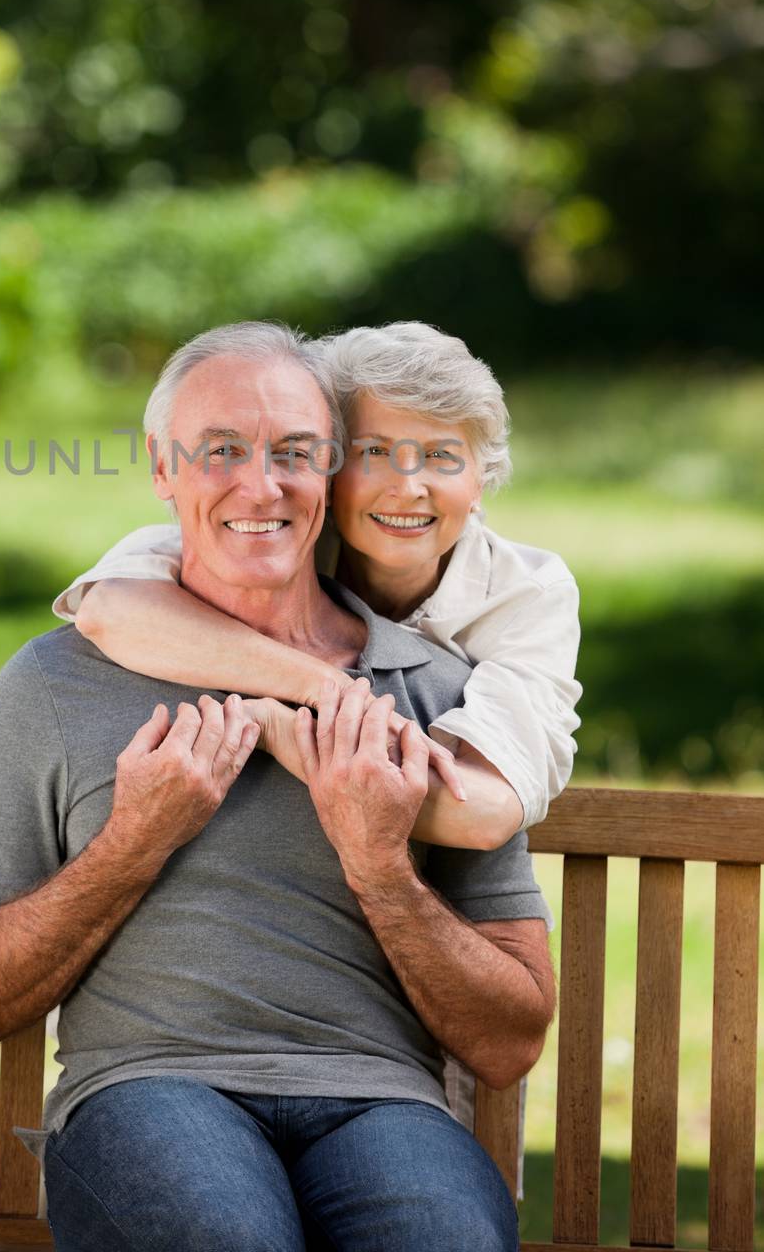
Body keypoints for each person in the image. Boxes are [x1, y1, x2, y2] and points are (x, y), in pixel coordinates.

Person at [0, 321, 556, 1252]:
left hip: (380, 1105)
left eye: (294, 453)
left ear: (331, 470)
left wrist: (379, 864)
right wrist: (135, 840)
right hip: (149, 1089)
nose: (262, 487)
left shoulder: (439, 702)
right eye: (221, 450)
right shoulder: (57, 685)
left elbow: (510, 1039)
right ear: (160, 466)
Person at [54, 319, 581, 1149]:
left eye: (442, 457)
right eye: (373, 453)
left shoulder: (525, 597)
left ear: (482, 479)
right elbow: (111, 609)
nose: (407, 487)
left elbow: (480, 812)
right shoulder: (269, 525)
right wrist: (323, 687)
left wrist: (287, 735)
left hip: (410, 1010)